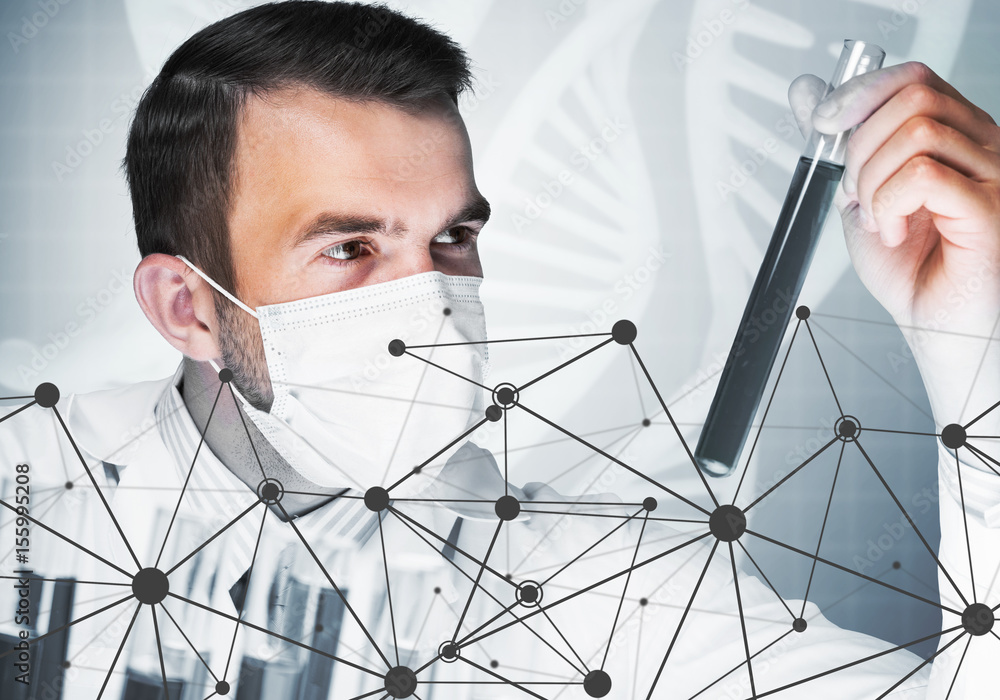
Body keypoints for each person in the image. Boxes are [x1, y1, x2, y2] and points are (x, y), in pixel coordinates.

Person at [1, 2, 998, 698]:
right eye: (349, 246)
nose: (427, 303)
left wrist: (976, 339)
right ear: (187, 306)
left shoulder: (595, 586)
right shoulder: (26, 490)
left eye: (450, 240)